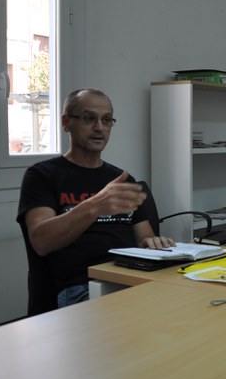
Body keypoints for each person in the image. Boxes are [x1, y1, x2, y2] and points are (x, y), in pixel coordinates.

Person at [17, 88, 175, 315]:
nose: (99, 127)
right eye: (89, 118)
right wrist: (95, 205)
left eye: (106, 120)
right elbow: (41, 241)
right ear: (66, 123)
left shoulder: (122, 179)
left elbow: (145, 238)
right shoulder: (42, 175)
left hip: (129, 277)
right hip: (81, 286)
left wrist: (156, 243)